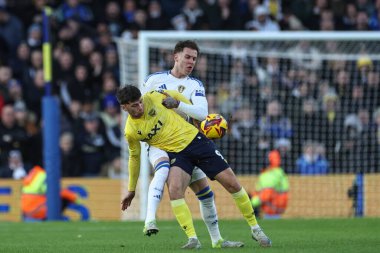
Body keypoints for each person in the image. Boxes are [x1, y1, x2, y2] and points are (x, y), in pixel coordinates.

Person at [117, 85, 272, 249]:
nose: (140, 106)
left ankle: (256, 228)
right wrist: (131, 189)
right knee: (175, 190)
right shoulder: (131, 131)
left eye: (140, 102)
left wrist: (188, 111)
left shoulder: (153, 96)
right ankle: (193, 239)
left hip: (196, 142)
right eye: (135, 105)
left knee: (232, 184)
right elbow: (134, 157)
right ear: (124, 107)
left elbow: (176, 95)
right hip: (177, 155)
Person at [140, 40, 242, 248]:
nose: (191, 62)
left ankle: (217, 240)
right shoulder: (153, 80)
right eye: (187, 57)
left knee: (204, 192)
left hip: (188, 143)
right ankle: (187, 236)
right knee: (173, 185)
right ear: (175, 56)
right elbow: (140, 111)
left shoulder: (195, 85)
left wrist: (180, 106)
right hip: (163, 145)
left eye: (194, 58)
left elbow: (201, 113)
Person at [250, 150, 289, 218]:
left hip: (270, 210)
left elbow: (267, 194)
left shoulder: (268, 175)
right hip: (278, 209)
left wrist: (251, 202)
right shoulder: (280, 172)